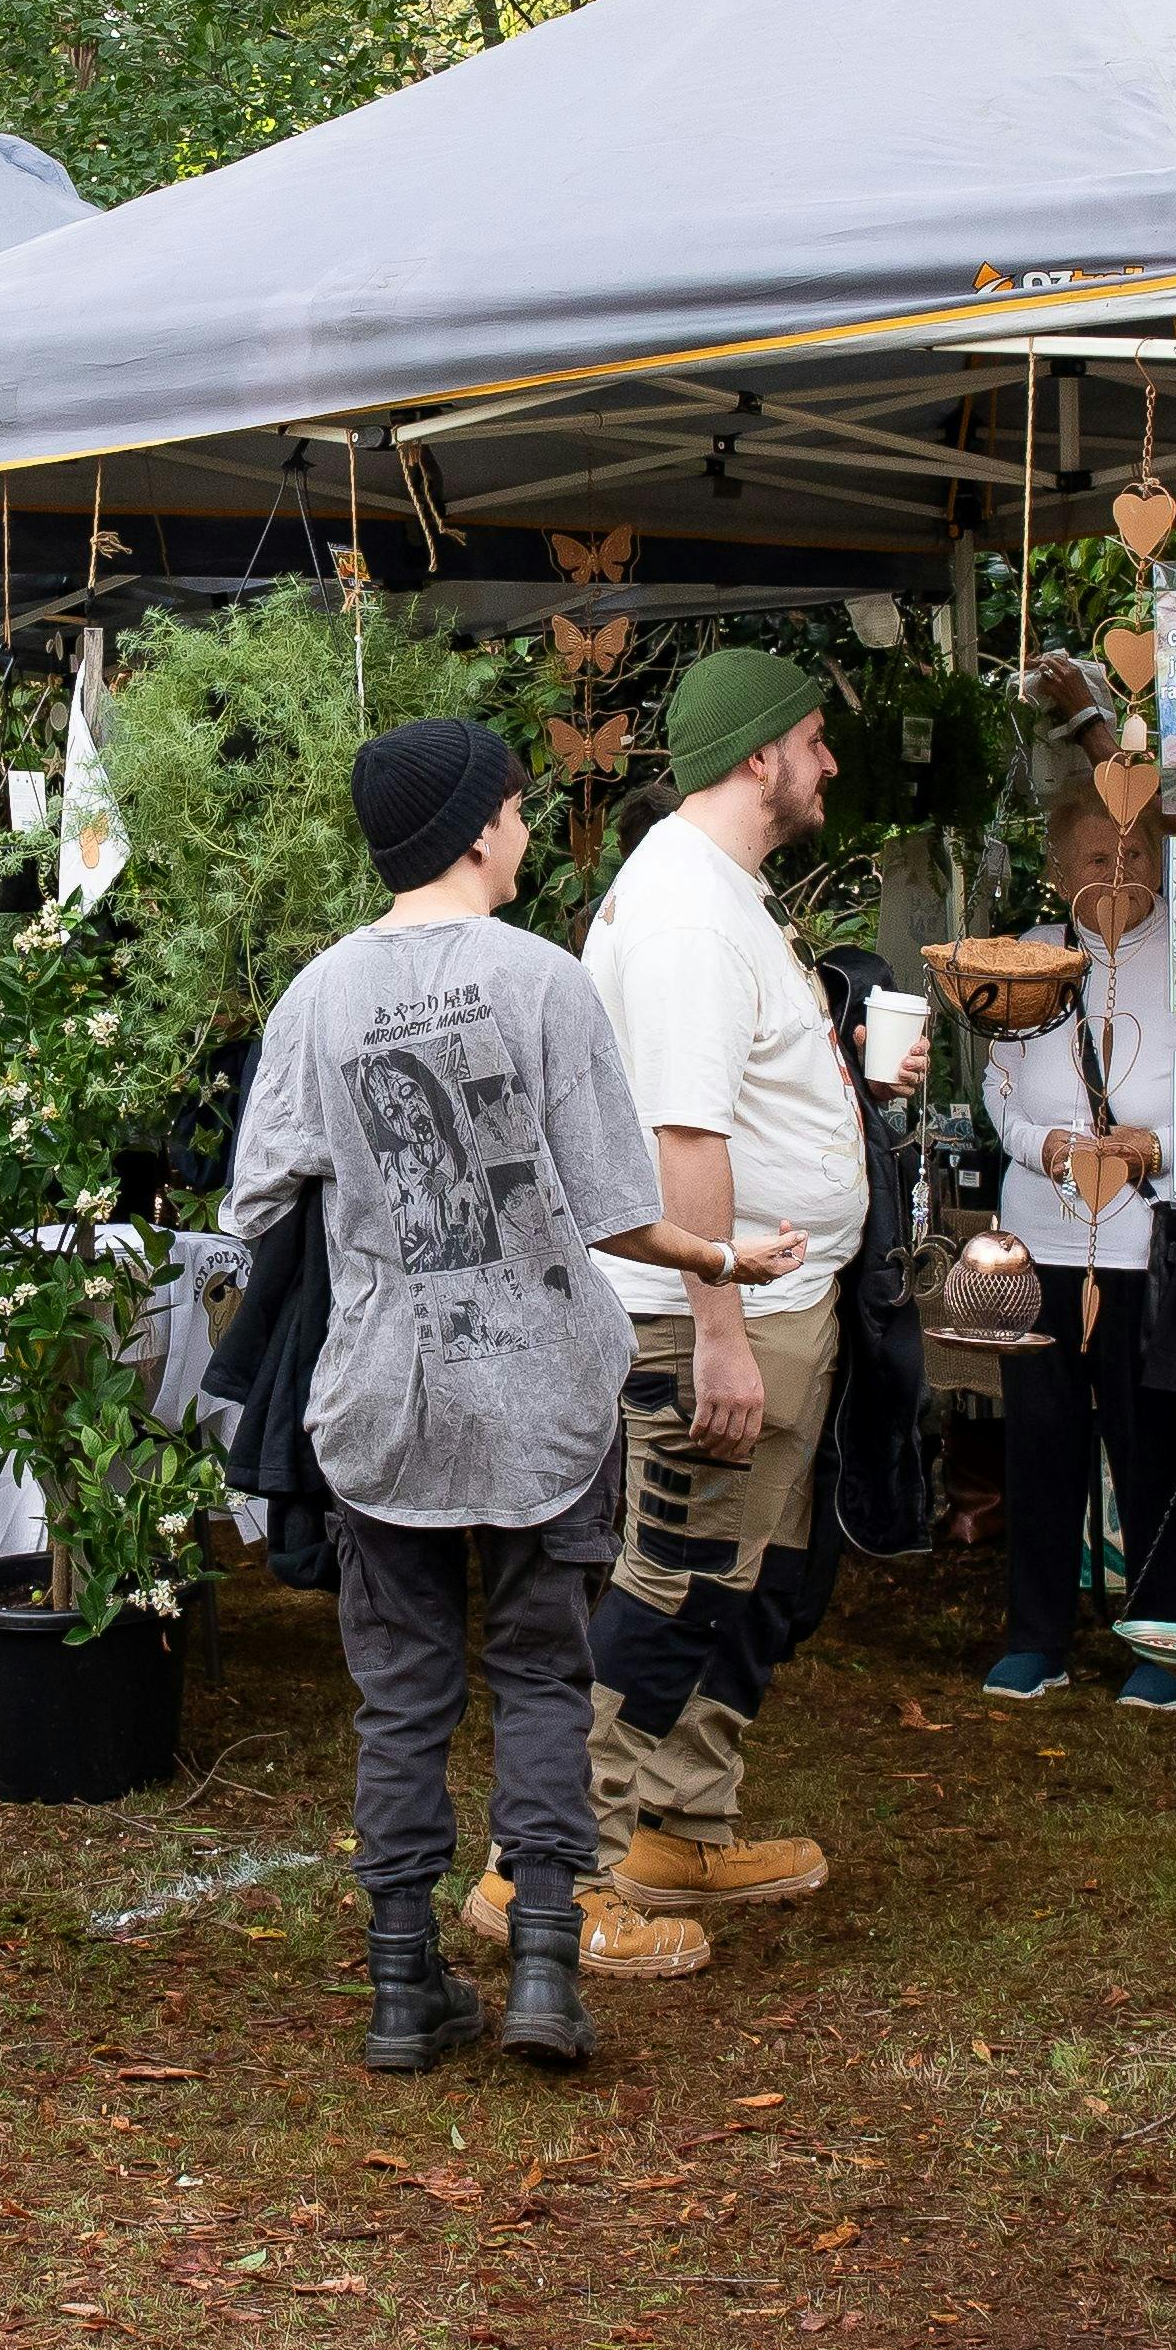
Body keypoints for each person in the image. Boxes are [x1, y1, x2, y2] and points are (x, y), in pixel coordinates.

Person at [227, 719, 794, 2070]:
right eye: (521, 809)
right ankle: (545, 1967)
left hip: (386, 1396)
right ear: (476, 827)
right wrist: (727, 1255)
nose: (531, 830)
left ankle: (401, 1991)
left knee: (404, 1691)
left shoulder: (315, 998)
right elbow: (616, 1211)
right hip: (541, 1387)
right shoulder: (545, 982)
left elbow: (257, 1195)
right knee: (544, 1671)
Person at [550, 646, 903, 1951]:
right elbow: (683, 1139)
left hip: (771, 1302)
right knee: (674, 1582)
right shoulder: (693, 912)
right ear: (760, 754)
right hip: (721, 1316)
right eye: (812, 740)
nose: (825, 763)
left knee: (752, 1582)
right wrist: (716, 1339)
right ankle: (548, 1873)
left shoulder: (717, 893)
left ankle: (676, 1832)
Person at [967, 777, 1176, 1709]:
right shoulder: (1026, 959)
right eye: (1098, 857)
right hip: (1040, 1240)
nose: (1120, 873)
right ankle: (1037, 1638)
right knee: (1040, 1444)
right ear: (1058, 869)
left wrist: (1160, 1145)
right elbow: (999, 1092)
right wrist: (1048, 1147)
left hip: (1147, 1242)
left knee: (1151, 1446)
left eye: (1137, 853)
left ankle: (1165, 1638)